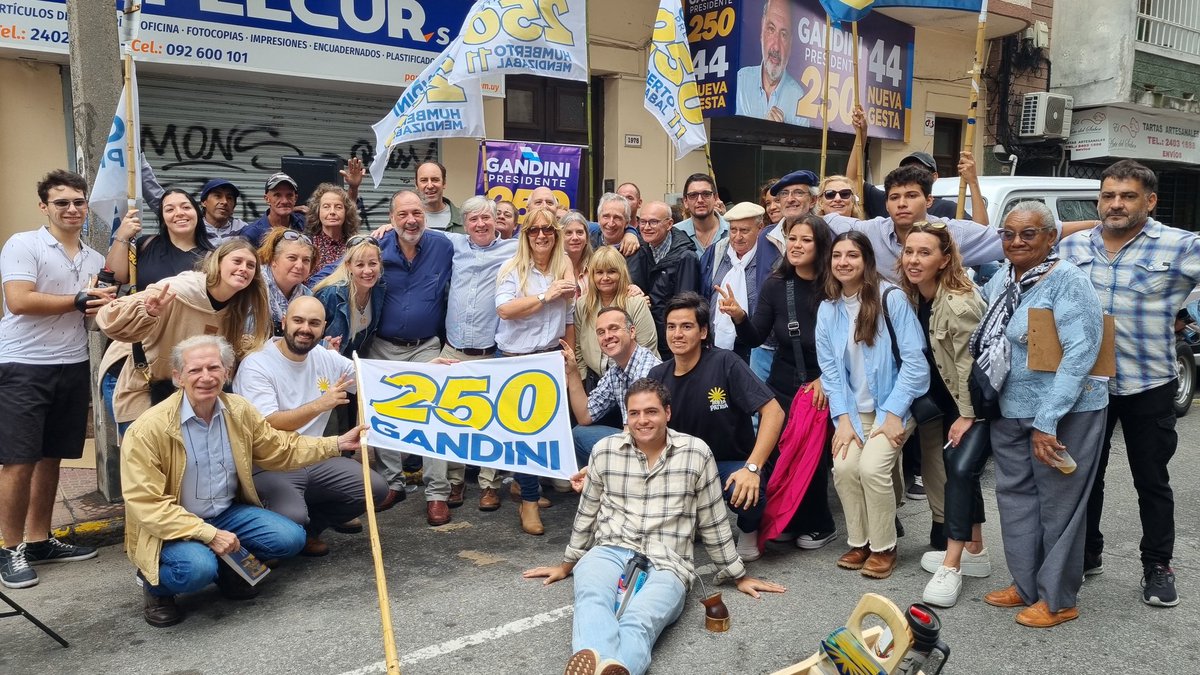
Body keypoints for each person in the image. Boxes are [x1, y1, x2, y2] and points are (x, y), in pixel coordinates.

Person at [523, 379, 785, 675]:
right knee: (592, 599)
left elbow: (713, 520)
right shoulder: (605, 451)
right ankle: (608, 664)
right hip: (609, 550)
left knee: (640, 619)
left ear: (668, 413)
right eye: (634, 413)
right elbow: (587, 511)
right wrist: (568, 563)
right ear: (626, 417)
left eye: (651, 412)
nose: (642, 420)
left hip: (669, 563)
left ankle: (603, 665)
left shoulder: (696, 453)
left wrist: (738, 575)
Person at [121, 335, 366, 627]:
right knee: (197, 568)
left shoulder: (238, 410)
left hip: (225, 513)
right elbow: (146, 505)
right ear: (178, 377)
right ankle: (157, 589)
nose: (206, 377)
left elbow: (280, 448)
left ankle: (228, 571)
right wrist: (207, 534)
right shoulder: (149, 429)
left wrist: (337, 443)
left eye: (214, 368)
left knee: (291, 538)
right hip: (172, 525)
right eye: (195, 370)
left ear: (227, 373)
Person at [1059, 160, 1200, 608]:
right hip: (1088, 386)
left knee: (1151, 480)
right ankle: (1088, 552)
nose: (1115, 204)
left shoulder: (1179, 246)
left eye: (1127, 195)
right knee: (1086, 477)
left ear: (1150, 200)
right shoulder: (1074, 246)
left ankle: (1157, 565)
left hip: (1149, 384)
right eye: (1108, 195)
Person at [976, 202, 1106, 628]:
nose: (1016, 242)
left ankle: (1059, 598)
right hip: (1010, 408)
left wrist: (1046, 421)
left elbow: (1081, 353)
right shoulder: (1003, 279)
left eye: (1028, 234)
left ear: (1051, 238)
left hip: (1065, 411)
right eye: (1009, 234)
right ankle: (1027, 583)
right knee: (1015, 499)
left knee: (1059, 506)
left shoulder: (1067, 280)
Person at [0, 170, 113, 589]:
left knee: (52, 457)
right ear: (44, 206)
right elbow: (19, 300)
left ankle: (40, 539)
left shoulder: (94, 258)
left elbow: (96, 314)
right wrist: (79, 300)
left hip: (71, 362)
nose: (71, 209)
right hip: (22, 364)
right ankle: (8, 549)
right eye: (62, 202)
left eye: (78, 202)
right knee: (18, 460)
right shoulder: (23, 244)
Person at [232, 297, 387, 556]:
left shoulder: (326, 358)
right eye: (298, 320)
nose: (306, 328)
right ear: (284, 322)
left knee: (376, 488)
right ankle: (266, 536)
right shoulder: (257, 364)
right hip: (270, 462)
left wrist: (425, 372)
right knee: (291, 518)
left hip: (314, 456)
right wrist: (320, 404)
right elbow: (269, 423)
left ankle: (310, 530)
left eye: (314, 323)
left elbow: (376, 381)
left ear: (323, 327)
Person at [719, 214, 838, 551]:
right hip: (784, 384)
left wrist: (824, 379)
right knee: (779, 455)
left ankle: (820, 523)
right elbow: (756, 337)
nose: (796, 246)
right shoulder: (776, 284)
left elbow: (849, 344)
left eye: (806, 240)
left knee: (813, 460)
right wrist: (740, 316)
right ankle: (787, 519)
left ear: (821, 246)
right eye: (792, 239)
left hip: (824, 386)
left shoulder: (835, 286)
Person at [816, 231, 928, 580]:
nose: (843, 262)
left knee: (873, 468)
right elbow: (830, 372)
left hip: (894, 406)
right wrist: (842, 419)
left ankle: (884, 547)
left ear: (866, 260)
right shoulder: (828, 308)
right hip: (853, 411)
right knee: (845, 469)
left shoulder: (889, 298)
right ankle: (860, 541)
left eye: (852, 255)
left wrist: (894, 413)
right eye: (837, 256)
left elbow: (915, 363)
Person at [648, 293, 786, 562]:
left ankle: (748, 529)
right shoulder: (657, 377)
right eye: (671, 326)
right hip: (684, 467)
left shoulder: (725, 362)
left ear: (703, 332)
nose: (677, 334)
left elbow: (774, 412)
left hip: (730, 465)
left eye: (686, 326)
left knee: (744, 489)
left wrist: (752, 468)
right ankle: (695, 516)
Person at [899, 221, 991, 608]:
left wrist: (967, 414)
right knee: (960, 470)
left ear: (945, 259)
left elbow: (972, 365)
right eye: (909, 252)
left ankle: (952, 564)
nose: (914, 260)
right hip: (944, 398)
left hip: (972, 402)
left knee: (958, 468)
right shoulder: (916, 294)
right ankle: (976, 551)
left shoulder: (957, 302)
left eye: (925, 253)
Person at [98, 239, 272, 436]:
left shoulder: (236, 308)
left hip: (177, 389)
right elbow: (108, 317)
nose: (244, 269)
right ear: (218, 262)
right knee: (144, 456)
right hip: (134, 378)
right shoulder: (177, 290)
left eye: (251, 265)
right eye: (237, 261)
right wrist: (147, 312)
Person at [366, 190, 454, 518]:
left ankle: (436, 493)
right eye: (402, 214)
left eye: (416, 213)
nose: (411, 220)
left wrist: (629, 232)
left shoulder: (444, 246)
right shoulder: (375, 247)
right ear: (391, 219)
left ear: (426, 215)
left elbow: (484, 244)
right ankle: (393, 483)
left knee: (432, 411)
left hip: (426, 346)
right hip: (382, 344)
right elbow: (337, 271)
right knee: (383, 411)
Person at [496, 207, 577, 535]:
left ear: (555, 235)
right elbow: (504, 310)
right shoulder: (512, 269)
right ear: (525, 235)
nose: (541, 235)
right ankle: (528, 500)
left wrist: (570, 358)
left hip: (550, 360)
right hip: (516, 359)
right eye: (534, 230)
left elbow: (569, 317)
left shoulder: (563, 267)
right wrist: (546, 295)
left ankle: (528, 488)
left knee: (543, 433)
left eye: (548, 230)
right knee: (522, 434)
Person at [440, 196, 518, 511]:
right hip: (453, 350)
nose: (481, 224)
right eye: (473, 219)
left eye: (486, 217)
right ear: (465, 223)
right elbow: (413, 228)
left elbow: (561, 235)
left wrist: (630, 234)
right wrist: (388, 225)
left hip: (490, 351)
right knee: (452, 420)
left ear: (496, 219)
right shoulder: (454, 243)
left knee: (490, 422)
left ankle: (489, 485)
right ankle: (455, 482)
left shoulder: (513, 248)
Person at [847, 105, 984, 223]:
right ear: (888, 205)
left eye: (912, 196)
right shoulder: (888, 201)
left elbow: (981, 233)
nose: (902, 204)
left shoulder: (947, 209)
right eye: (906, 169)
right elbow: (853, 180)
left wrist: (972, 181)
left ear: (929, 201)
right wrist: (862, 134)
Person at [563, 307, 662, 462]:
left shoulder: (647, 368)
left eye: (613, 328)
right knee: (579, 434)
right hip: (632, 437)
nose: (607, 336)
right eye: (601, 332)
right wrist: (573, 372)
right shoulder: (615, 371)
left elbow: (638, 433)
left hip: (654, 446)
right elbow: (584, 415)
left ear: (632, 332)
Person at [703, 202, 780, 367]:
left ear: (760, 228)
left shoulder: (771, 258)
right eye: (733, 230)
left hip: (757, 348)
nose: (737, 237)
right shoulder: (717, 252)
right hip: (718, 345)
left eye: (745, 231)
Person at [574, 247, 658, 384]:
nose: (605, 278)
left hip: (635, 379)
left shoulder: (635, 302)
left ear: (621, 273)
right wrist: (583, 379)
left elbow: (648, 347)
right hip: (594, 379)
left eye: (611, 272)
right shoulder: (582, 304)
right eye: (599, 272)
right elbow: (578, 346)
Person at [106, 189, 214, 288]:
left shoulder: (213, 258)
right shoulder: (145, 245)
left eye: (186, 207)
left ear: (197, 213)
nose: (179, 213)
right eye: (170, 209)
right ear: (163, 218)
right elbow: (116, 277)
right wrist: (122, 235)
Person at [637, 200, 701, 357]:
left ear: (669, 224)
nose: (646, 227)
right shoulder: (638, 249)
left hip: (671, 344)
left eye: (653, 222)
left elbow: (685, 305)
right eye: (643, 221)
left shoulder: (686, 257)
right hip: (643, 339)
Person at [735, 0, 804, 125]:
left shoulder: (799, 98)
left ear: (791, 42)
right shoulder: (740, 81)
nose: (776, 47)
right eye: (771, 29)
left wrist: (783, 133)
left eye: (784, 34)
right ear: (762, 29)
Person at [258, 227, 316, 335]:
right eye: (292, 258)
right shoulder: (254, 287)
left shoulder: (307, 296)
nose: (299, 266)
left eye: (306, 260)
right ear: (273, 260)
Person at [593, 192, 651, 289]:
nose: (611, 223)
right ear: (598, 219)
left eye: (617, 218)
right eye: (606, 216)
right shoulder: (589, 244)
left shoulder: (640, 250)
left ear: (627, 222)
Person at [304, 183, 361, 272]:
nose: (332, 212)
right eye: (326, 207)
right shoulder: (307, 245)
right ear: (317, 211)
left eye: (338, 207)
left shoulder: (356, 245)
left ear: (347, 212)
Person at [242, 172, 307, 246]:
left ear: (295, 198)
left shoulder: (305, 225)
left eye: (289, 195)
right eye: (277, 195)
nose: (284, 201)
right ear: (267, 199)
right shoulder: (252, 234)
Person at [675, 174, 728, 256]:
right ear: (685, 202)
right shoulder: (675, 233)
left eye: (706, 194)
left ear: (715, 198)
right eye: (693, 195)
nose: (700, 200)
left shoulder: (733, 230)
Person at [197, 178, 251, 246]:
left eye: (229, 198)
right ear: (204, 202)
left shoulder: (243, 229)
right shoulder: (194, 229)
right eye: (218, 196)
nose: (225, 202)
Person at [415, 161, 463, 233]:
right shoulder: (402, 220)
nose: (430, 186)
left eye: (435, 180)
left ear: (444, 183)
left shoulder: (464, 218)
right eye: (424, 180)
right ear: (416, 185)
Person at [562, 211, 594, 297]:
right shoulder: (552, 267)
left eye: (580, 232)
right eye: (568, 233)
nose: (575, 237)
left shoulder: (596, 265)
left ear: (587, 238)